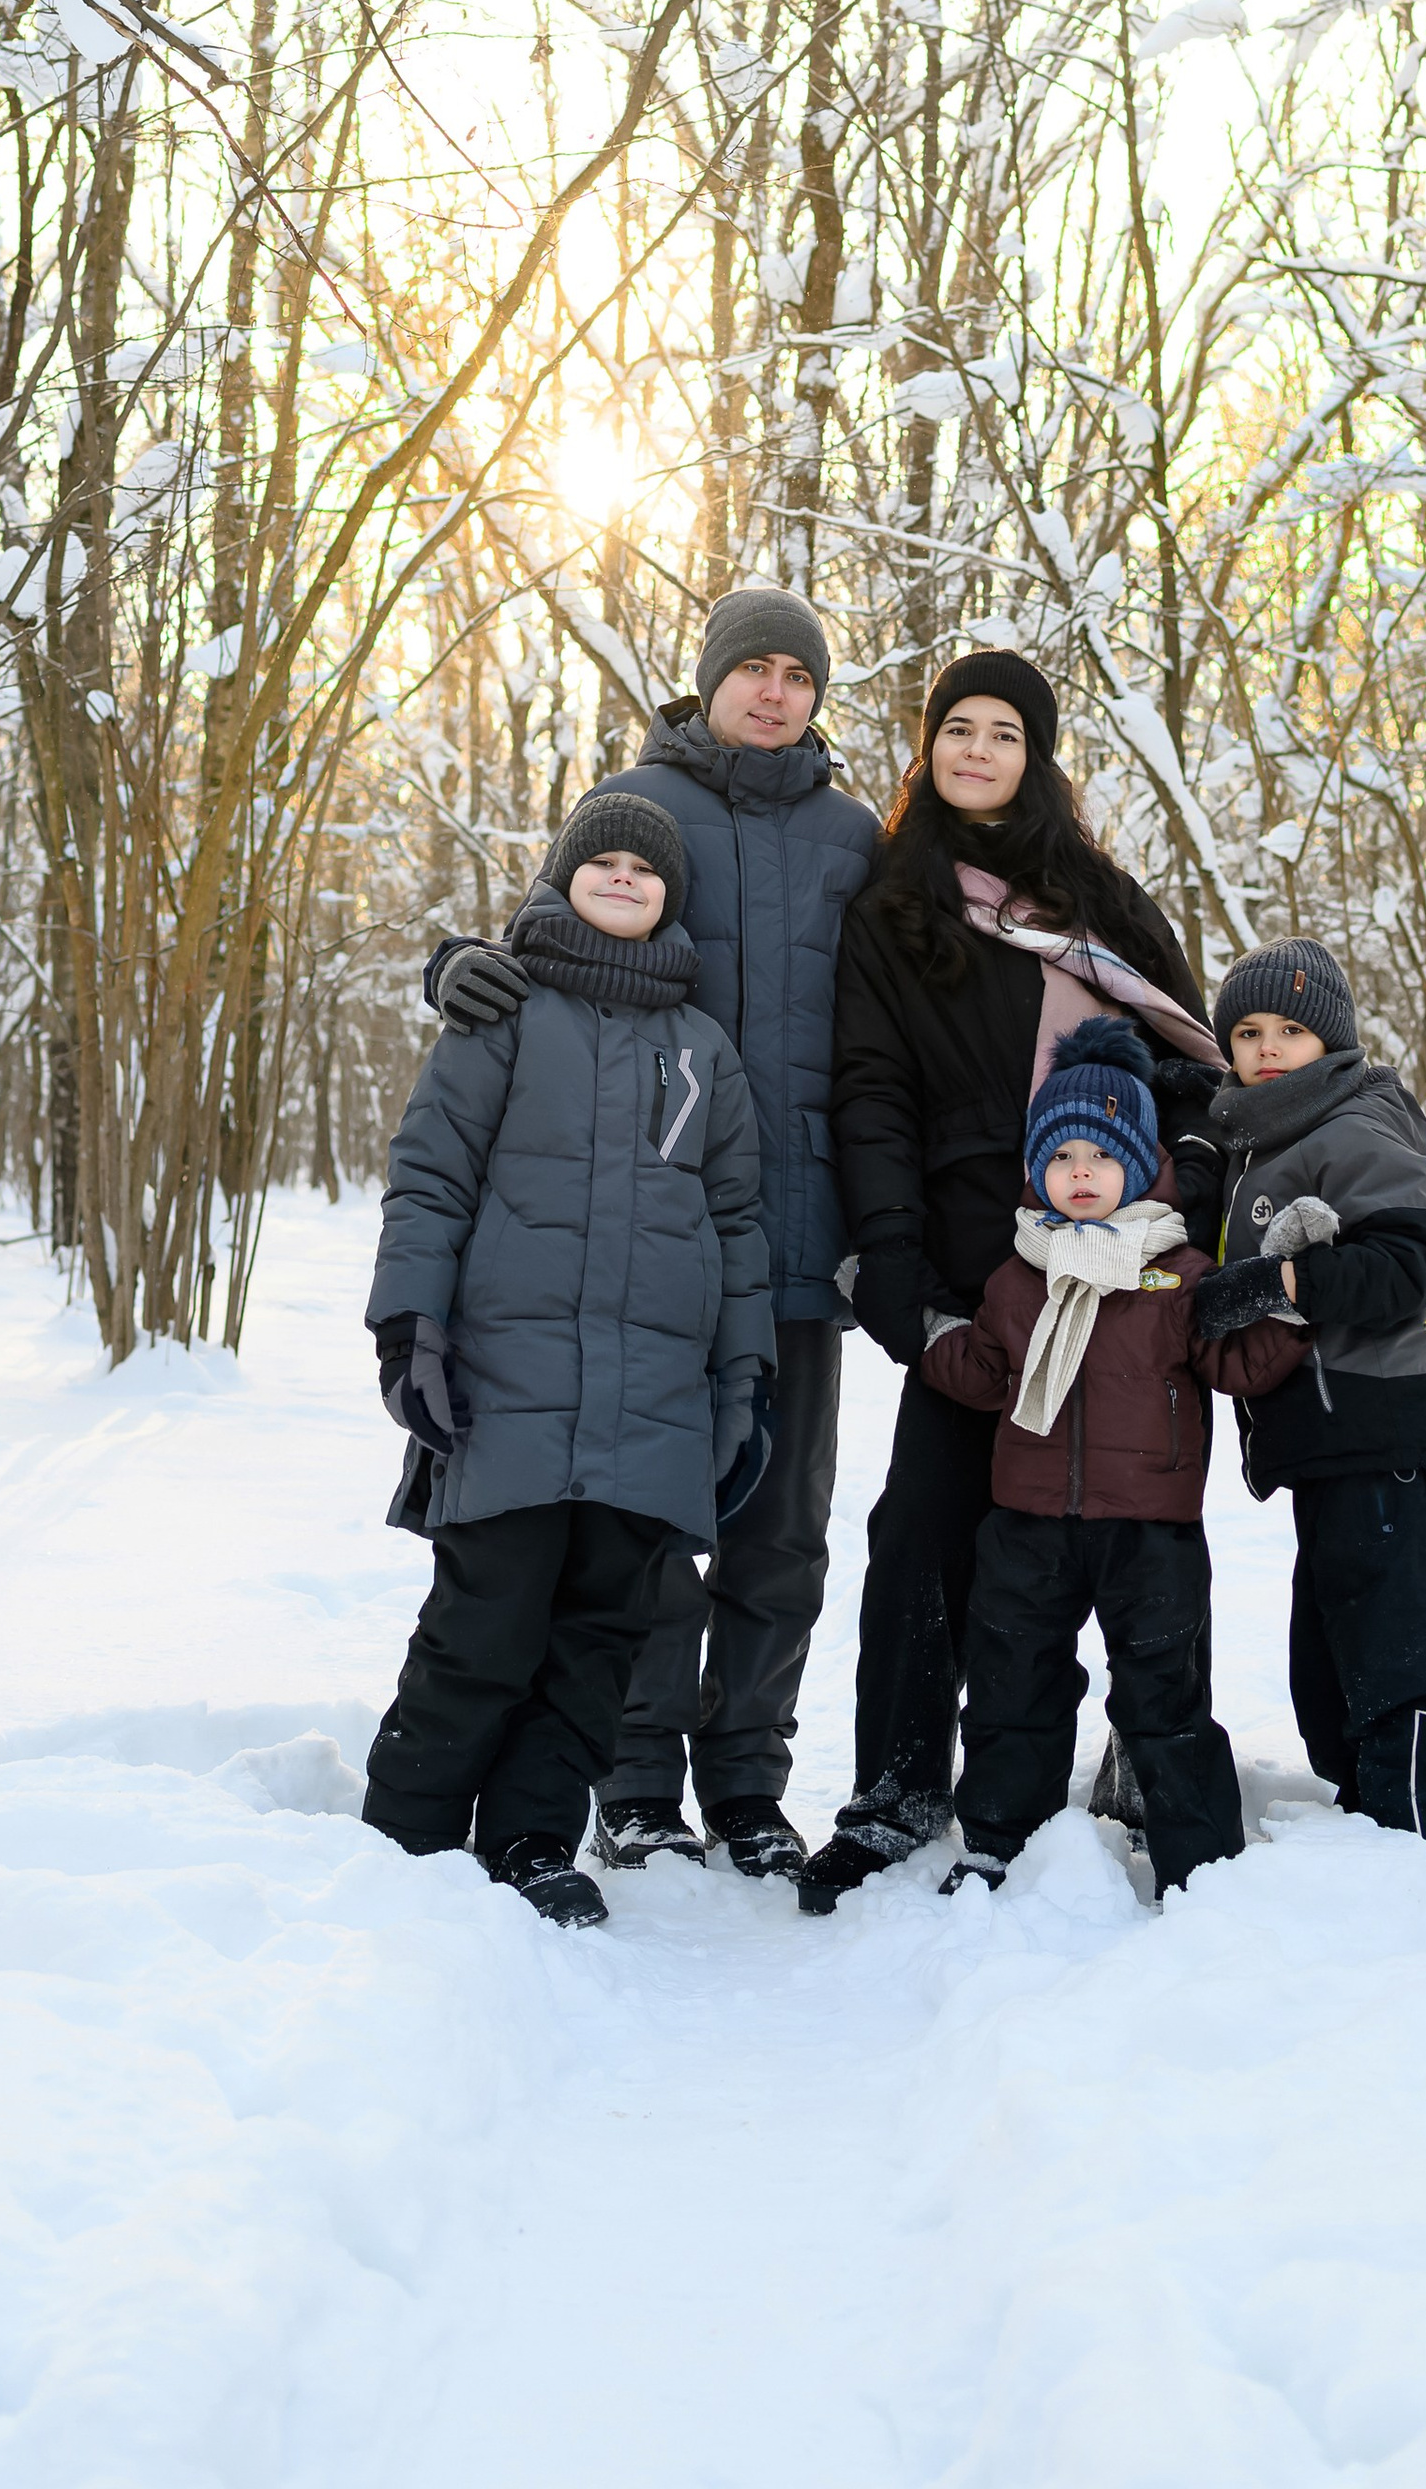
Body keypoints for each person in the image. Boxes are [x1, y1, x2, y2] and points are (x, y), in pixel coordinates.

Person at [423, 586, 877, 1881]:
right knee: (649, 1523)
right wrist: (453, 966)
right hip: (646, 1247)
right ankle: (634, 1781)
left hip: (803, 1244)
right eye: (755, 668)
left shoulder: (855, 836)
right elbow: (542, 939)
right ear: (711, 678)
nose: (775, 691)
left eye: (798, 674)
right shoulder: (637, 806)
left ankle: (748, 1782)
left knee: (780, 1530)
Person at [807, 647, 1221, 1912]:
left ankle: (1146, 1757)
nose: (977, 750)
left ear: (1034, 757)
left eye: (1004, 732)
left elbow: (1188, 1061)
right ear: (927, 746)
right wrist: (892, 1256)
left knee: (1136, 1530)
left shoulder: (1100, 900)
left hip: (1124, 1273)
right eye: (958, 728)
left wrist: (1193, 1195)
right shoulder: (894, 905)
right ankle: (897, 1787)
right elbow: (872, 1089)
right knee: (924, 1525)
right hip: (976, 1262)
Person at [361, 791, 776, 1927]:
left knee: (596, 1642)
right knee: (482, 1628)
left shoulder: (703, 1051)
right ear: (561, 878)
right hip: (509, 1391)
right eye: (603, 860)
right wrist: (410, 1326)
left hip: (652, 1404)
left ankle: (532, 1839)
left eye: (647, 867)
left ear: (670, 898)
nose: (624, 875)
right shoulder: (500, 1013)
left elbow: (735, 1226)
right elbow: (430, 1178)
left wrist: (741, 1382)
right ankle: (404, 1838)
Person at [917, 1013, 1245, 1895]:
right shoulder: (1018, 1276)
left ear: (1139, 1162)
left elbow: (1232, 1360)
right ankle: (1000, 1842)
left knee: (1164, 1695)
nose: (1082, 1172)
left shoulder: (1178, 1273)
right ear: (1038, 1170)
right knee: (1012, 1686)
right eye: (1061, 1156)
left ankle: (1201, 1864)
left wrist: (1281, 1299)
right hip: (1029, 1524)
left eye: (1101, 1154)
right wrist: (925, 1329)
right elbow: (985, 1369)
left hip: (1150, 1528)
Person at [1183, 935, 1426, 1844]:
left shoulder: (1352, 1124)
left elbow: (1413, 1257)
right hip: (1330, 1454)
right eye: (1247, 1031)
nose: (1268, 1047)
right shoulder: (1261, 1140)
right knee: (1328, 1680)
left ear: (1332, 1038)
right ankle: (1375, 1837)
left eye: (1290, 1029)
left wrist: (1278, 1282)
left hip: (1389, 1438)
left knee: (1394, 1669)